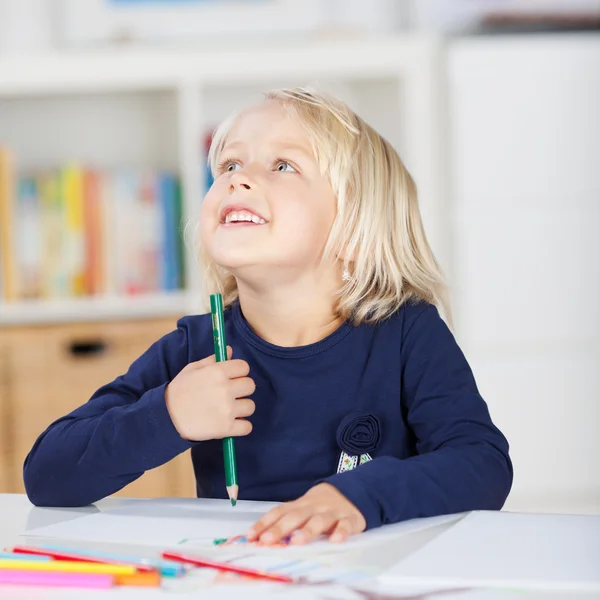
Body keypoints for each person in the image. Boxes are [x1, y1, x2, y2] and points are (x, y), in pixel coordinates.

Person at [23, 87, 512, 546]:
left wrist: (360, 496)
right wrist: (167, 415)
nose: (237, 176)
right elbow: (47, 474)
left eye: (282, 165)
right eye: (230, 162)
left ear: (353, 230)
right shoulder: (195, 348)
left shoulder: (407, 333)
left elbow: (482, 464)